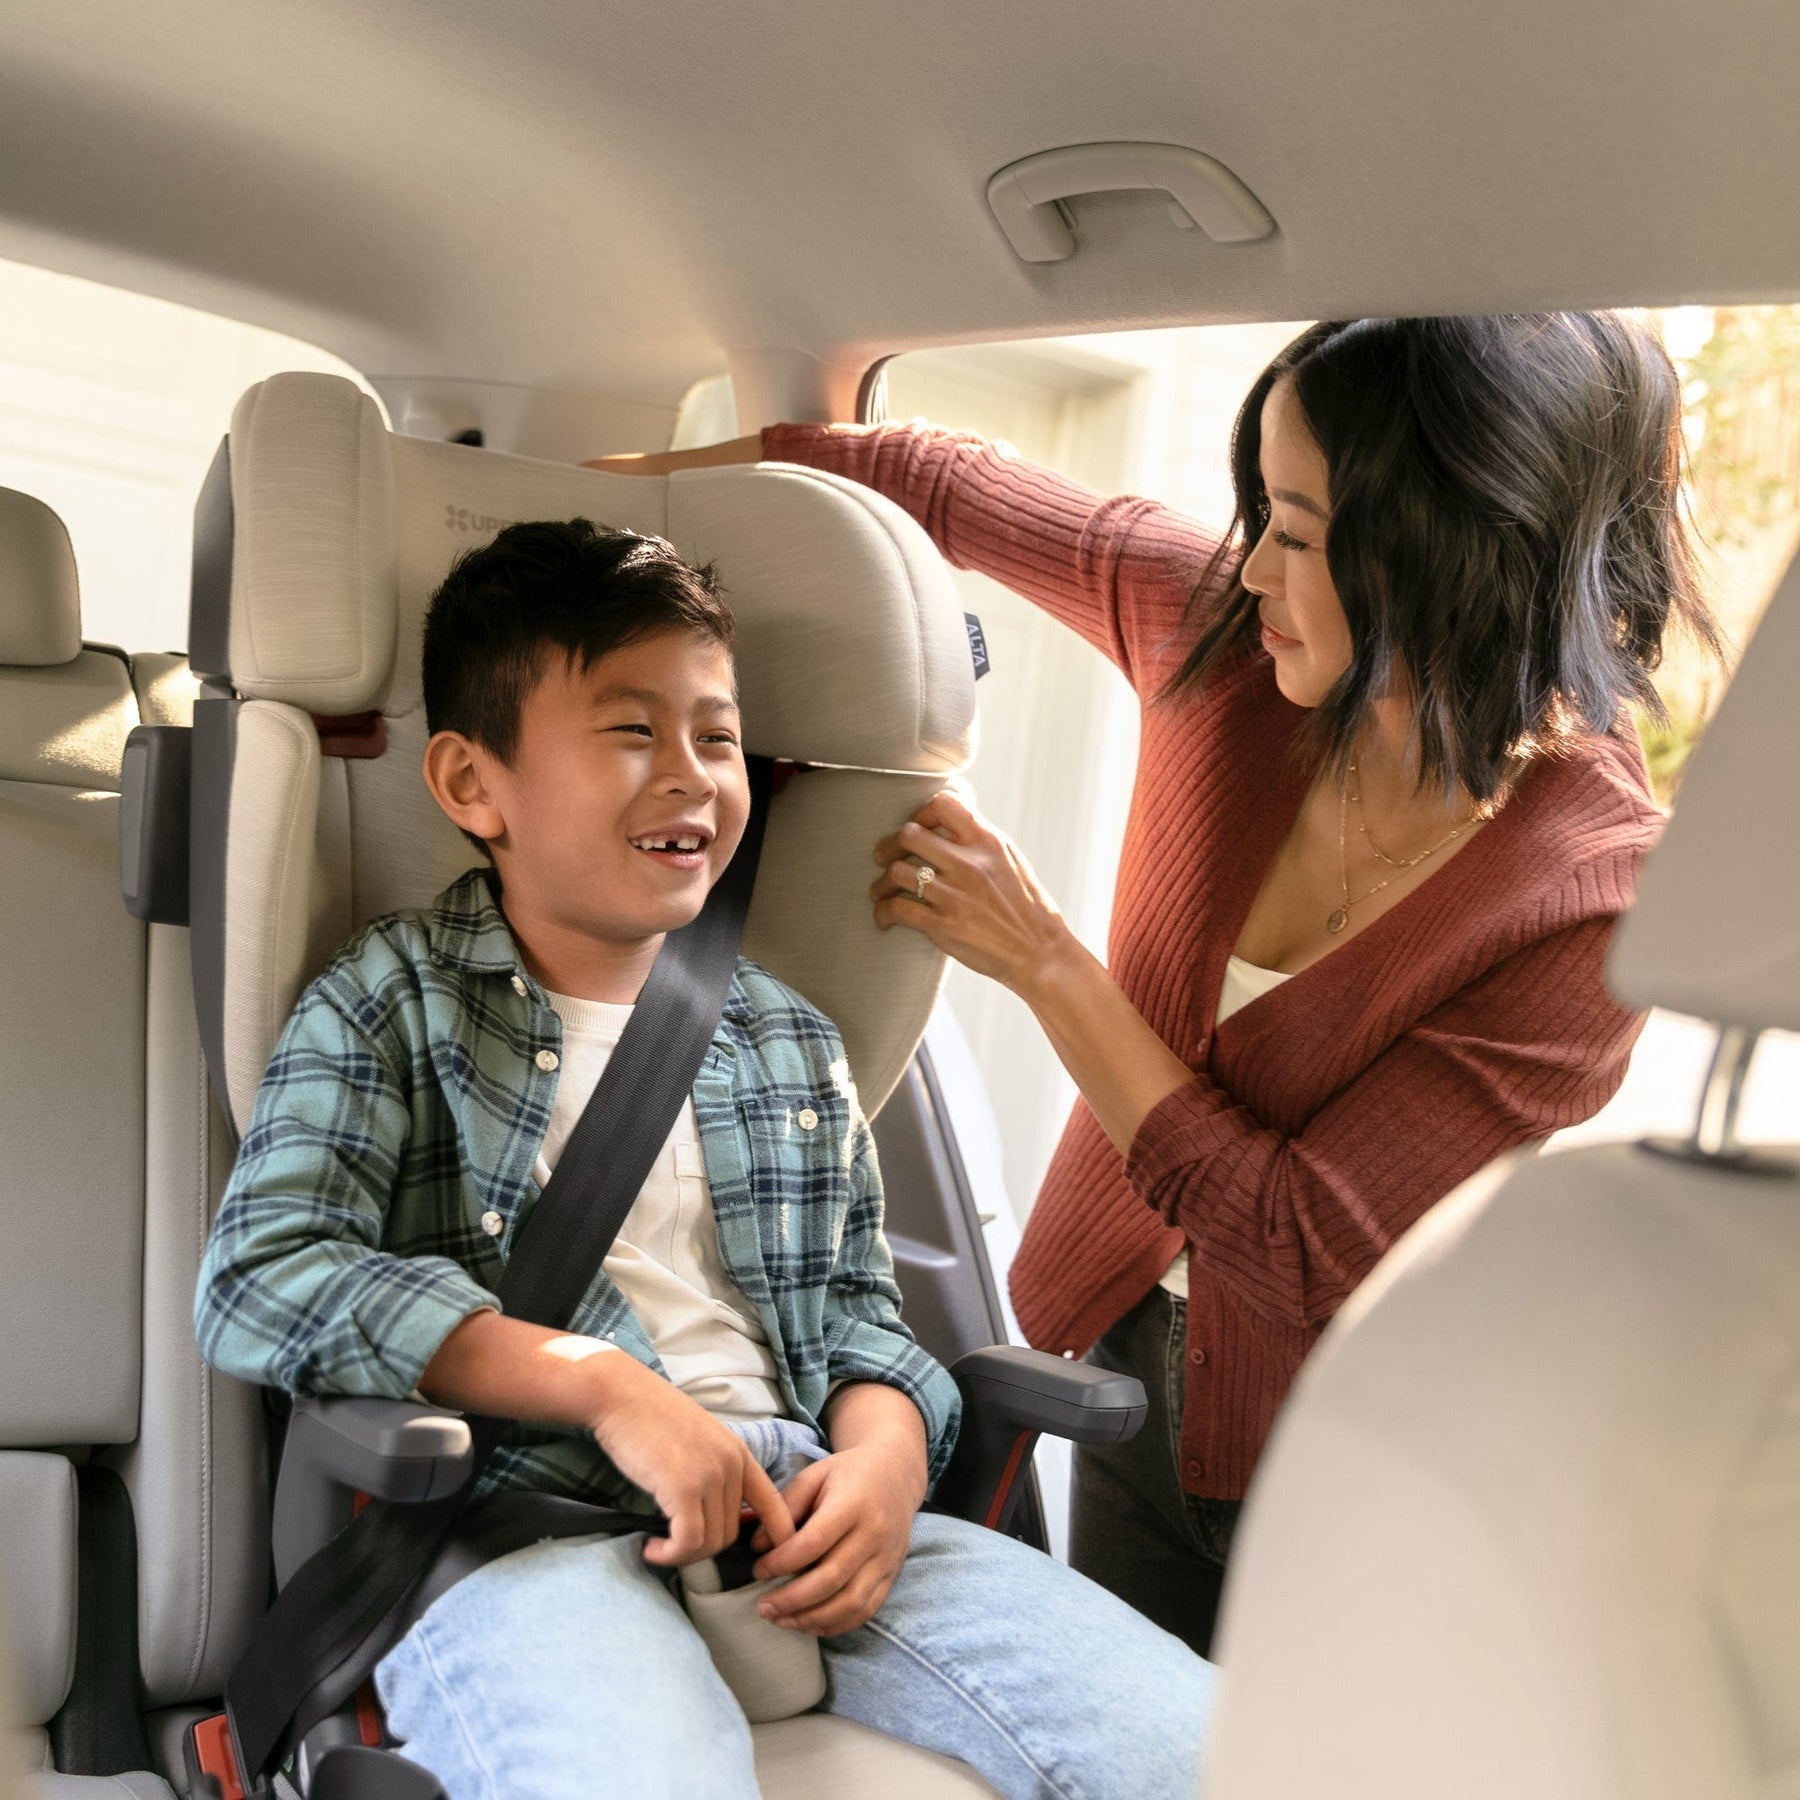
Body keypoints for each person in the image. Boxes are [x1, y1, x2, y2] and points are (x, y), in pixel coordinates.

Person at [594, 312, 1721, 1656]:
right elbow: (920, 479)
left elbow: (1298, 1245)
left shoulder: (1593, 895)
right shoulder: (1219, 633)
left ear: (1451, 553)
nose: (1251, 570)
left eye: (1297, 533)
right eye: (1258, 515)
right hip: (1116, 1365)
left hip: (1360, 1449)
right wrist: (589, 493)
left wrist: (1042, 960)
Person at [193, 519, 1214, 1800]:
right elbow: (263, 1277)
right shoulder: (390, 1000)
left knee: (1218, 1753)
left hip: (800, 1513)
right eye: (631, 731)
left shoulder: (789, 1039)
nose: (690, 776)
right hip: (529, 1528)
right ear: (471, 784)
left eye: (717, 738)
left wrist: (887, 1460)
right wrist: (610, 1392)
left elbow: (857, 1319)